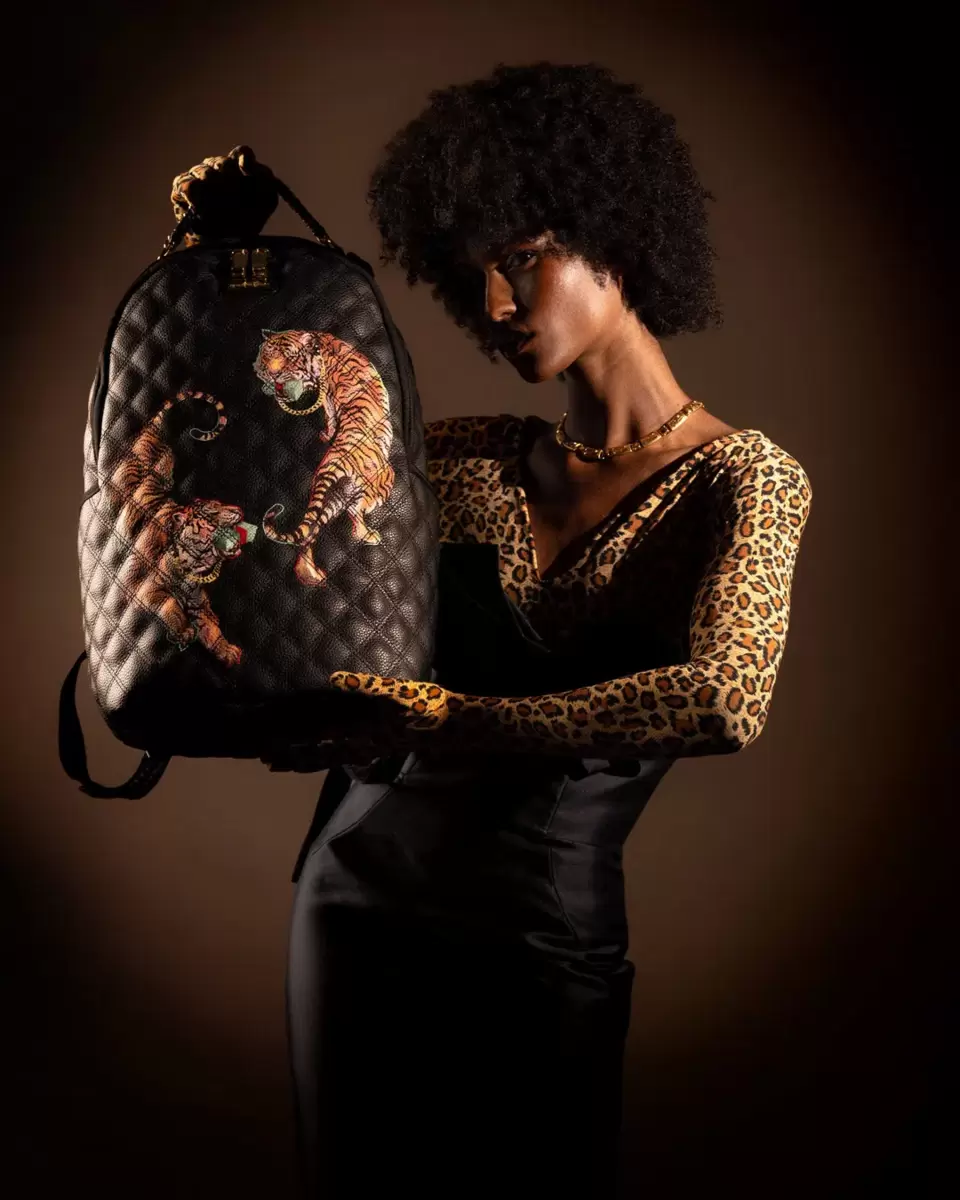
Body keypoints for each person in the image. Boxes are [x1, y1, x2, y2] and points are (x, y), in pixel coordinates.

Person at [178, 62, 812, 1199]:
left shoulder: (744, 480)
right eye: (474, 277)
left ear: (616, 241)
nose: (496, 306)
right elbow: (243, 475)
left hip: (542, 943)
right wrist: (219, 272)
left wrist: (454, 719)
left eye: (521, 260)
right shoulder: (458, 457)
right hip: (355, 907)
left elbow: (725, 696)